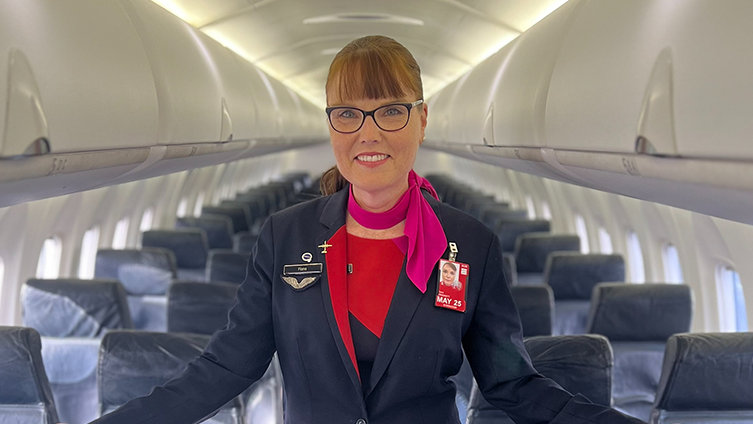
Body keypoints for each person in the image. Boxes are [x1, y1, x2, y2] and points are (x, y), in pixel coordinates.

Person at [90, 35, 645, 424]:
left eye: (391, 111)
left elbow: (511, 384)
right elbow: (224, 369)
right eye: (348, 114)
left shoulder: (470, 244)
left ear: (422, 119)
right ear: (331, 123)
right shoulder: (287, 237)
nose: (368, 132)